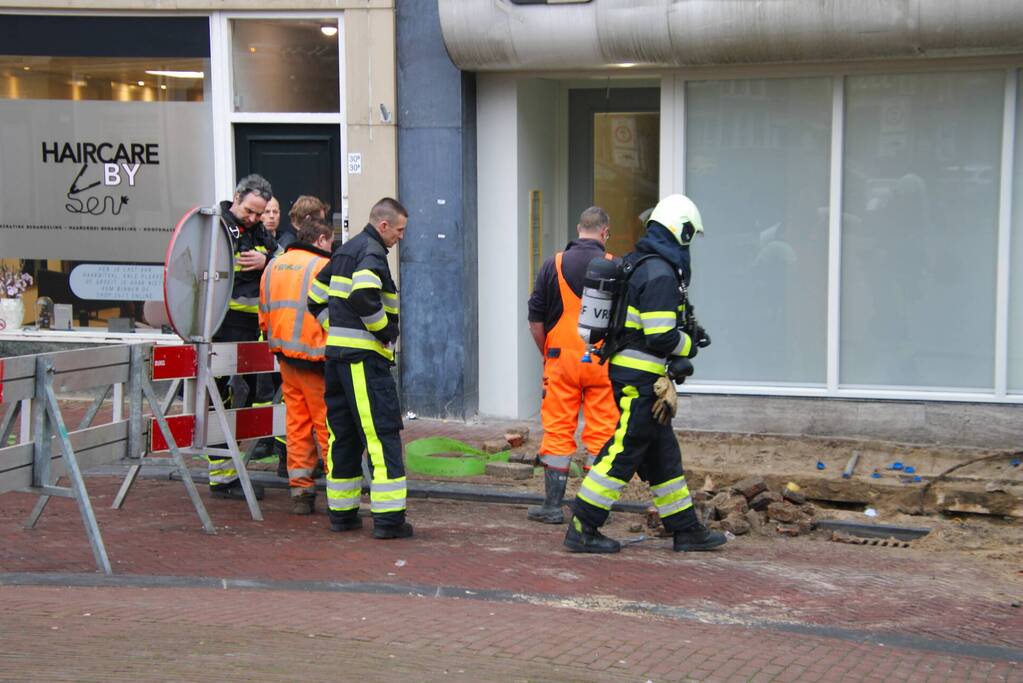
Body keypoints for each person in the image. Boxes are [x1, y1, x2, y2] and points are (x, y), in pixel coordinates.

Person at [563, 194, 726, 554]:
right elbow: (660, 335)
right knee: (622, 452)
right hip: (640, 381)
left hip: (639, 375)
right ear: (681, 231)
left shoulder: (642, 263)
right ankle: (583, 526)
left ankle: (685, 529)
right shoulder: (661, 273)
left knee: (663, 457)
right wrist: (689, 346)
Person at [307, 197, 410, 539]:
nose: (400, 237)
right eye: (399, 230)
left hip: (337, 360)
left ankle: (342, 513)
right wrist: (385, 333)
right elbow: (364, 295)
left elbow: (315, 298)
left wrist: (336, 330)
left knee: (343, 436)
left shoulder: (345, 250)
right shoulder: (372, 252)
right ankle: (389, 520)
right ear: (384, 225)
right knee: (381, 435)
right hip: (364, 362)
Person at [525, 206, 619, 524]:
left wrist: (547, 352)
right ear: (605, 233)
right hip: (602, 361)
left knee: (558, 431)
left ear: (579, 229)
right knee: (603, 432)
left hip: (561, 361)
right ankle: (595, 510)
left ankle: (552, 507)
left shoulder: (553, 265)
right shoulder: (616, 266)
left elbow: (535, 320)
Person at [207, 174, 280, 501]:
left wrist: (267, 261)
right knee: (220, 399)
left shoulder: (259, 232)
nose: (253, 218)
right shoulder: (217, 229)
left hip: (253, 329)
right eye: (249, 210)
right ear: (236, 198)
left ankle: (232, 469)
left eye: (259, 213)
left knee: (245, 399)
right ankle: (222, 477)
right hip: (223, 326)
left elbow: (283, 260)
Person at [259, 217, 334, 514]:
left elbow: (263, 313)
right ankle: (340, 494)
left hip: (285, 358)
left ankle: (301, 492)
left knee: (297, 425)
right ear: (320, 239)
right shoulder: (323, 266)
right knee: (327, 426)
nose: (332, 248)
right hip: (317, 359)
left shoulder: (273, 266)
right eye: (330, 242)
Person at [250, 194, 288, 471]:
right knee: (263, 390)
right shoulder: (252, 241)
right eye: (268, 212)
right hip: (259, 325)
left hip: (278, 325)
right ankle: (263, 439)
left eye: (276, 211)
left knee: (281, 389)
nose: (272, 216)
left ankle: (281, 442)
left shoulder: (282, 243)